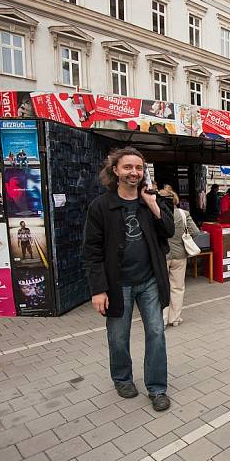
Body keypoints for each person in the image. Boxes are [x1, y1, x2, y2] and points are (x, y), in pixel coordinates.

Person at [83, 146, 175, 411]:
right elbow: (92, 251)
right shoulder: (101, 206)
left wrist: (153, 204)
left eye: (138, 167)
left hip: (149, 281)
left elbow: (168, 230)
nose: (134, 172)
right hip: (117, 284)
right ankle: (122, 378)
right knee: (118, 337)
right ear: (115, 170)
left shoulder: (151, 200)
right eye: (128, 167)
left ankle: (157, 388)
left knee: (157, 332)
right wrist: (98, 289)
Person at [159, 185, 199, 328]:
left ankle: (162, 319)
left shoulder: (155, 213)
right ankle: (175, 318)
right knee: (177, 287)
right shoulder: (183, 214)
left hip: (161, 256)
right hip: (180, 255)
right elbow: (195, 232)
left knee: (161, 287)